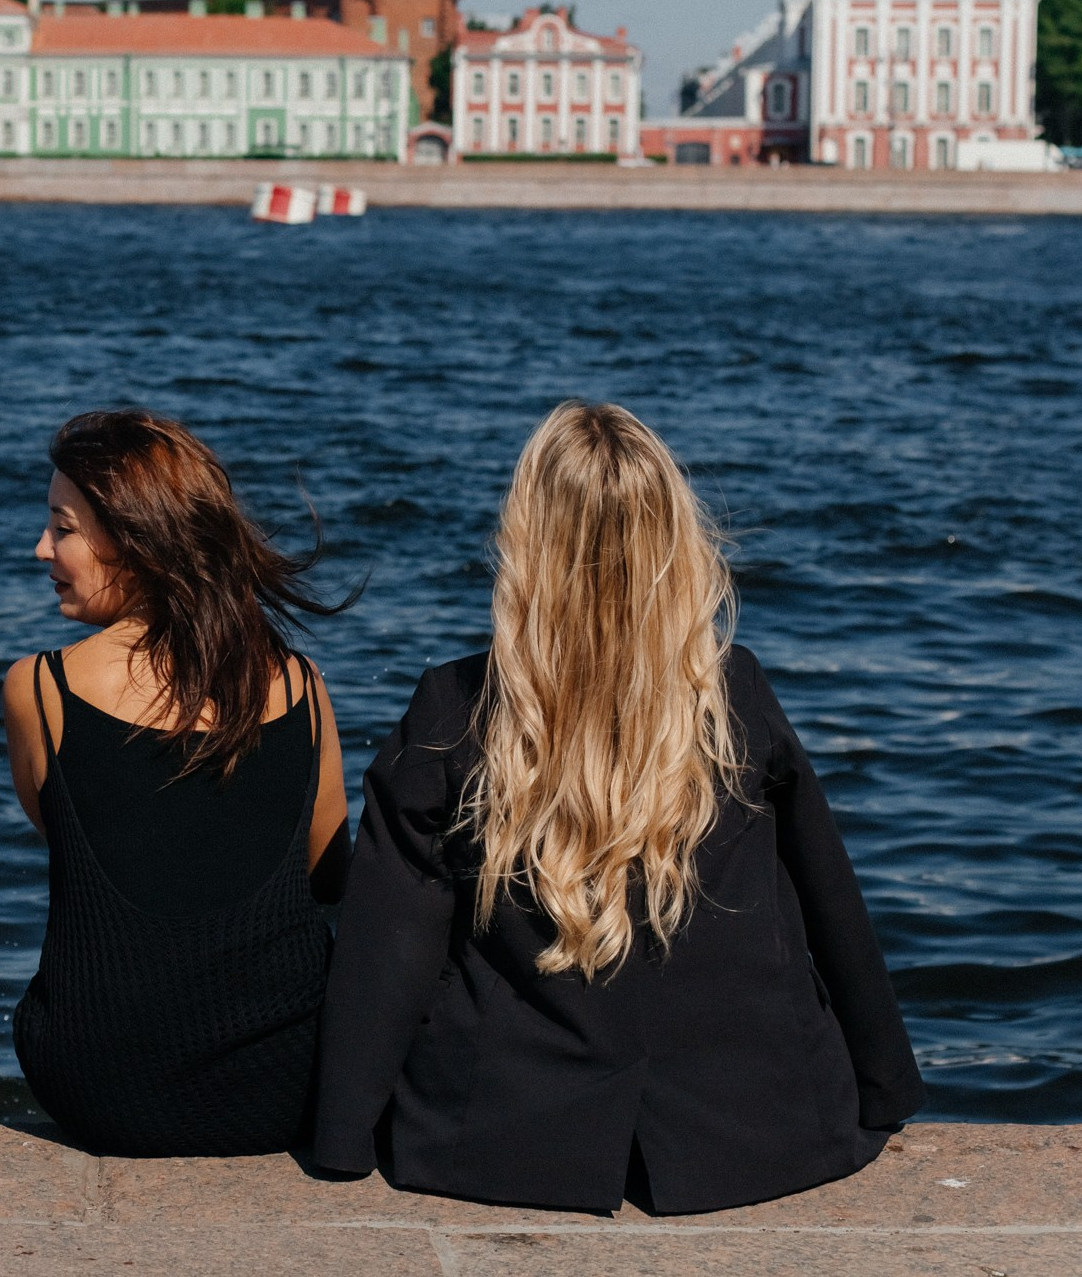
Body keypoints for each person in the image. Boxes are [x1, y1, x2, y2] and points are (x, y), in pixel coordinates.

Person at [314, 401, 924, 1213]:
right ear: (675, 541)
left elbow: (391, 948)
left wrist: (342, 1137)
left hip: (506, 1132)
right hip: (756, 1122)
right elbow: (831, 904)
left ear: (527, 544)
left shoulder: (453, 711)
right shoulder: (733, 695)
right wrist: (885, 1086)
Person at [2, 409, 351, 1157]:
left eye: (62, 528)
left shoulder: (39, 688)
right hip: (287, 1085)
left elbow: (75, 832)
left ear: (135, 540)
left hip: (98, 1088)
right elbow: (329, 874)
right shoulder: (301, 683)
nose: (41, 549)